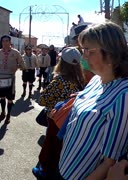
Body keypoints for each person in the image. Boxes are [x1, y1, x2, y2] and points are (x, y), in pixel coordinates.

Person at [59, 22, 128, 179]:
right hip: (66, 167)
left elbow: (109, 162)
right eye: (83, 50)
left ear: (110, 54)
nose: (83, 57)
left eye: (89, 51)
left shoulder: (124, 96)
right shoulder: (96, 80)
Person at [32, 47, 85, 179]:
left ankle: (44, 171)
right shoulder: (82, 80)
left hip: (56, 118)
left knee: (50, 146)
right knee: (62, 147)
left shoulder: (59, 81)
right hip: (72, 120)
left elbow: (42, 100)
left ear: (62, 62)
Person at [0, 35, 25, 124]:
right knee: (2, 97)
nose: (5, 43)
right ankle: (3, 113)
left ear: (10, 42)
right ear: (1, 42)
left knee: (10, 99)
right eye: (3, 41)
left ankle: (8, 115)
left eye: (7, 41)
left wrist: (17, 67)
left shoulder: (15, 52)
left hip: (10, 78)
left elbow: (22, 64)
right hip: (0, 77)